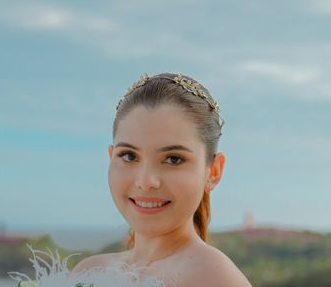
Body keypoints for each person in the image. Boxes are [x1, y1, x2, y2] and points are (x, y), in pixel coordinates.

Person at [72, 72, 252, 287]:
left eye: (173, 159)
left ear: (213, 171)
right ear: (112, 158)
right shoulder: (88, 272)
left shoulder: (216, 279)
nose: (146, 181)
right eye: (129, 156)